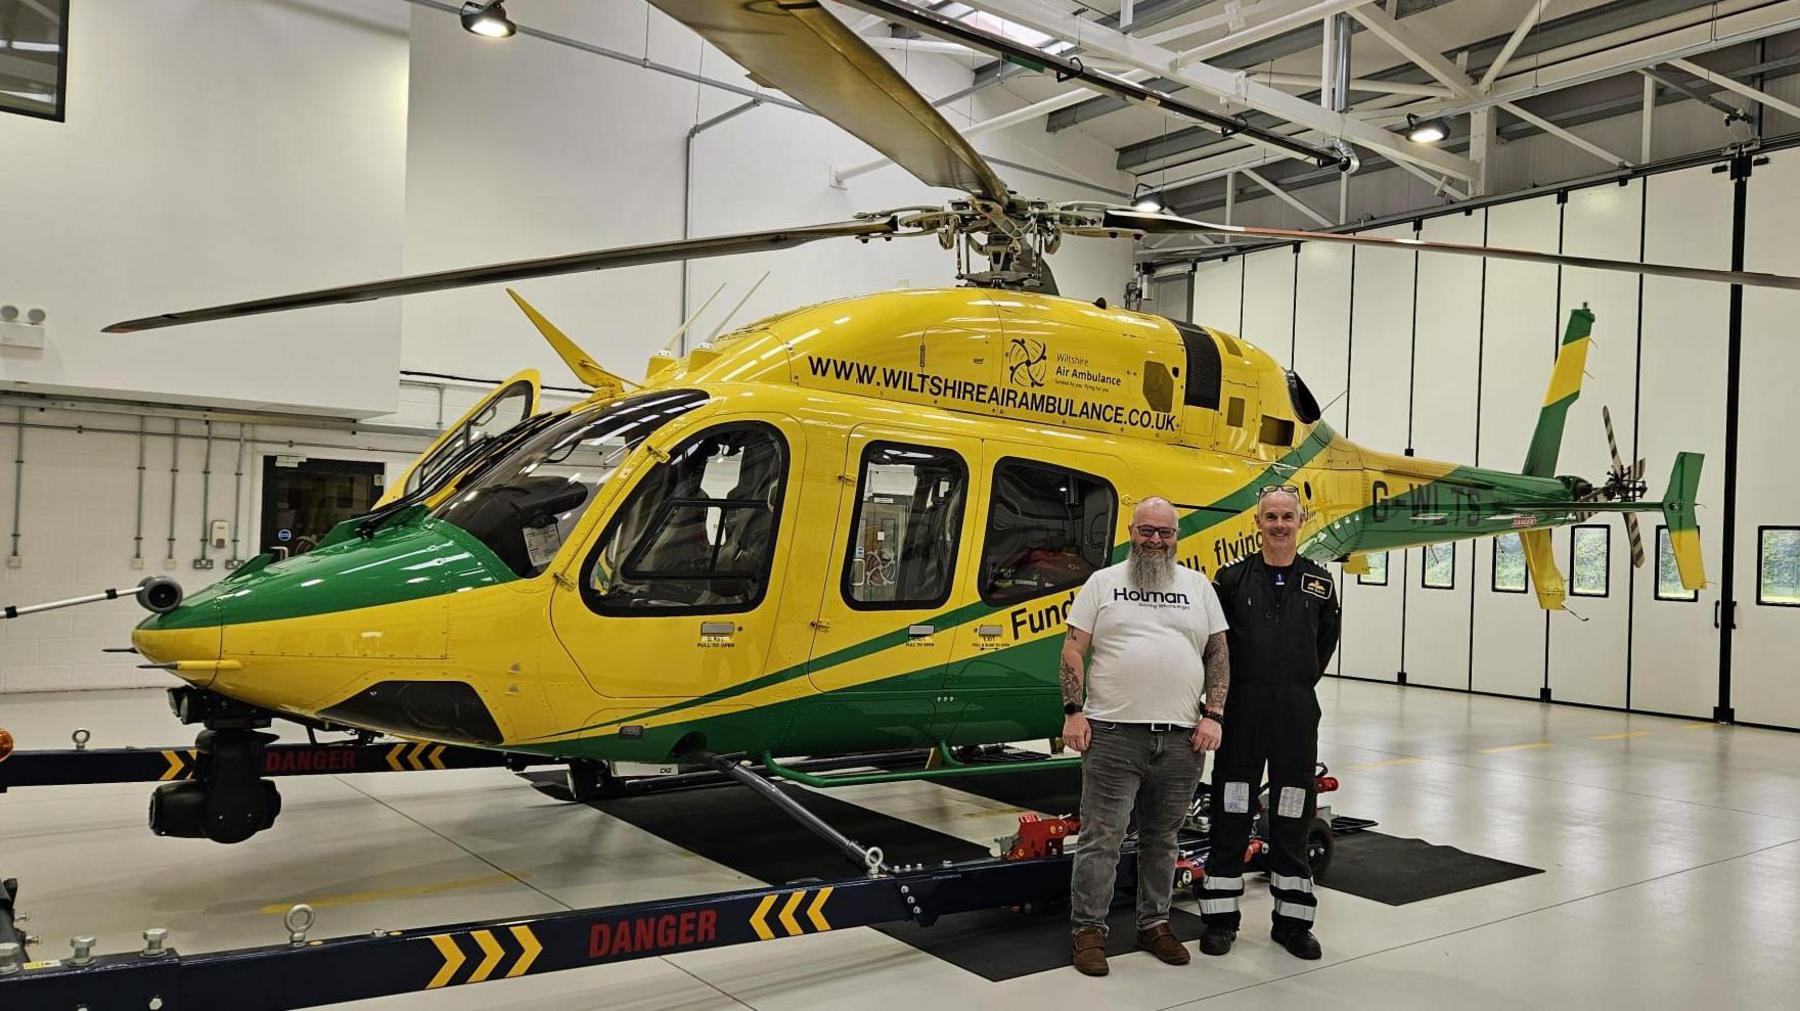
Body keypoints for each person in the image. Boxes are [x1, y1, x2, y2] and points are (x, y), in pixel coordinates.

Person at [1060, 496, 1230, 977]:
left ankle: (1154, 923)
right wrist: (1074, 711)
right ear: (1131, 532)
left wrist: (1213, 713)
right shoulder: (1103, 583)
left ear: (1176, 537)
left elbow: (1218, 654)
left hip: (1180, 739)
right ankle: (1088, 930)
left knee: (1163, 838)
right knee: (1101, 837)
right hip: (1113, 735)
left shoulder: (1198, 586)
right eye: (1147, 531)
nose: (1156, 540)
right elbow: (1073, 650)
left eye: (1165, 533)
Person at [1197, 485, 1341, 961]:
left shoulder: (1320, 584)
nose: (1279, 525)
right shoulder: (1230, 580)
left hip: (1295, 716)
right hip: (1242, 714)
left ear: (1302, 521)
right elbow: (1216, 649)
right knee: (1231, 812)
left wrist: (1291, 687)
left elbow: (1322, 648)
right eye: (1271, 517)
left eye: (1287, 517)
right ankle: (1220, 921)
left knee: (1292, 816)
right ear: (1257, 524)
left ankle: (1293, 924)